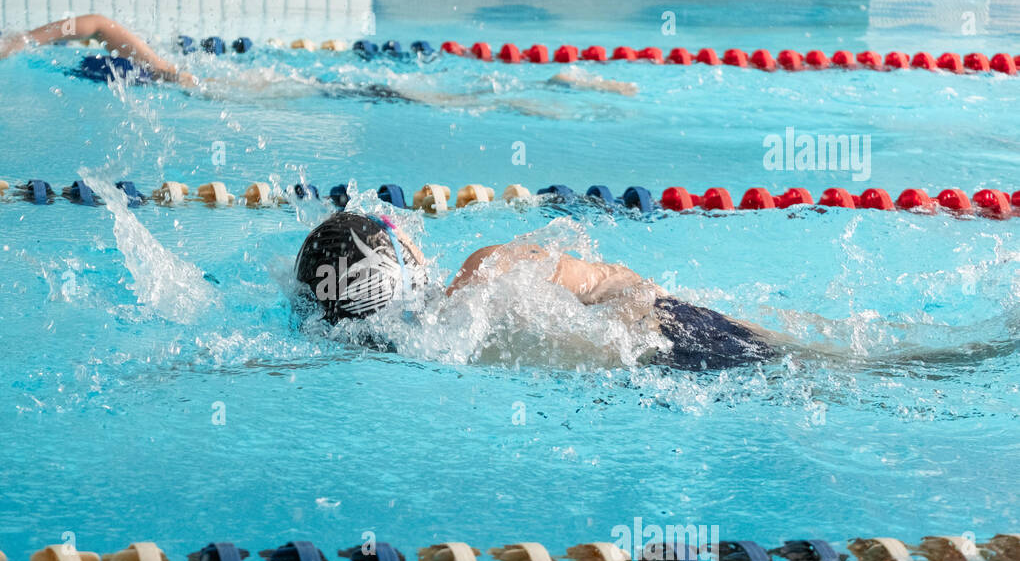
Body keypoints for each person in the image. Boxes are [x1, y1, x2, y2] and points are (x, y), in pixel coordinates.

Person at [293, 211, 779, 371]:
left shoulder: (410, 350)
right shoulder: (485, 269)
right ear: (401, 262)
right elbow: (626, 286)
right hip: (681, 336)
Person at [0, 15, 639, 104]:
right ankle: (547, 84)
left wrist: (19, 43)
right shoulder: (160, 70)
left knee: (389, 93)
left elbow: (96, 22)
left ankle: (551, 84)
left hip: (286, 90)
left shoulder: (159, 69)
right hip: (284, 88)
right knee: (381, 90)